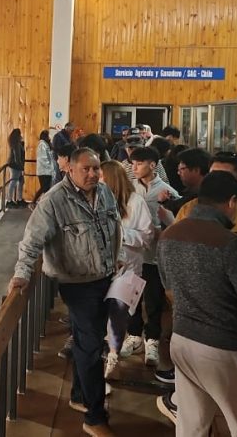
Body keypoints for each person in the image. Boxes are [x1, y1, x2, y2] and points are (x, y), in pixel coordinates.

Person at [10, 147, 120, 437]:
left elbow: (113, 228)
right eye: (86, 168)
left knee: (91, 342)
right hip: (77, 284)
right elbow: (31, 241)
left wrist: (115, 259)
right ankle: (95, 417)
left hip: (106, 277)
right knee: (92, 345)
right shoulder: (54, 201)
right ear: (69, 169)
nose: (93, 174)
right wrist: (22, 275)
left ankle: (80, 396)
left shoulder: (105, 192)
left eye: (96, 168)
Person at [157, 172, 237, 437]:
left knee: (191, 425)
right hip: (224, 349)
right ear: (232, 202)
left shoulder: (169, 235)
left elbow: (170, 290)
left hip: (182, 341)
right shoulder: (230, 243)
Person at [124, 146, 179, 367]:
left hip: (155, 257)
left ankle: (152, 341)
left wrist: (161, 231)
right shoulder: (129, 190)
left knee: (154, 302)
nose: (134, 168)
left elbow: (177, 224)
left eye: (138, 163)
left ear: (153, 165)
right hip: (132, 255)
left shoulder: (167, 191)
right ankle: (134, 335)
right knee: (131, 299)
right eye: (132, 164)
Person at [99, 161, 154, 381]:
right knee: (103, 317)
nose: (97, 180)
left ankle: (111, 359)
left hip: (129, 269)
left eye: (101, 176)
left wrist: (120, 233)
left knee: (118, 316)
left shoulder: (136, 202)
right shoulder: (96, 200)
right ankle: (106, 362)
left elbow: (147, 237)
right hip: (102, 270)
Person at [163, 147, 211, 216]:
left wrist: (165, 202)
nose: (178, 173)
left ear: (196, 170)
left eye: (182, 169)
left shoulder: (201, 197)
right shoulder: (192, 191)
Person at [7, 128, 26, 207]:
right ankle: (9, 201)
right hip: (15, 166)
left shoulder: (16, 143)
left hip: (15, 165)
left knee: (20, 182)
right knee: (13, 182)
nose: (21, 135)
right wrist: (21, 168)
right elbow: (17, 157)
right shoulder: (16, 144)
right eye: (20, 134)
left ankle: (19, 199)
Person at [34, 130, 54, 204]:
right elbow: (43, 158)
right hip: (44, 171)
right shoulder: (42, 144)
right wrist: (50, 167)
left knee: (46, 188)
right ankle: (34, 201)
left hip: (48, 171)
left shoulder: (47, 144)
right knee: (44, 188)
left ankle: (44, 203)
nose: (50, 137)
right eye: (49, 135)